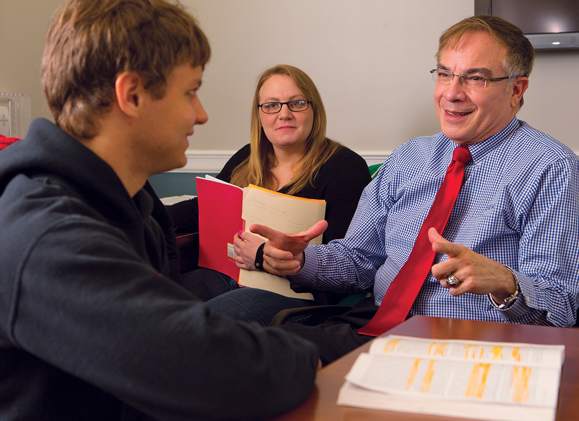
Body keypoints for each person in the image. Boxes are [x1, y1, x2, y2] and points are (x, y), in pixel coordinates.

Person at [0, 1, 320, 419]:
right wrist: (307, 356)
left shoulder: (130, 204)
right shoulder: (47, 235)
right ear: (131, 95)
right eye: (190, 92)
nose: (201, 114)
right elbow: (206, 365)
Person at [214, 15, 579, 364]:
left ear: (516, 89)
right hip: (376, 328)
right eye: (445, 74)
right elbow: (357, 261)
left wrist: (506, 283)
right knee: (220, 326)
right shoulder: (409, 158)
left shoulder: (551, 168)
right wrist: (300, 259)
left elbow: (560, 307)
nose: (452, 93)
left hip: (468, 342)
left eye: (475, 78)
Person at [170, 64, 370, 308]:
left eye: (296, 103)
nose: (284, 114)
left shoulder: (345, 168)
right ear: (260, 115)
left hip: (293, 294)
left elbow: (346, 261)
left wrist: (265, 257)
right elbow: (203, 209)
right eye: (272, 105)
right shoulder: (248, 156)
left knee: (206, 317)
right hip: (225, 277)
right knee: (160, 299)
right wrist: (145, 214)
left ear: (314, 110)